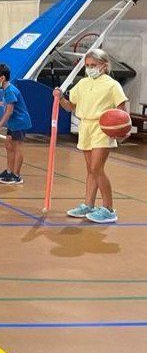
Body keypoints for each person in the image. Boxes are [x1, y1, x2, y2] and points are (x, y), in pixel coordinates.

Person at [54, 49, 129, 224]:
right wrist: (59, 98)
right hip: (85, 126)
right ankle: (88, 205)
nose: (89, 68)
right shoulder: (82, 84)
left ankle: (109, 209)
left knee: (97, 168)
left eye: (93, 65)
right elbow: (70, 106)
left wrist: (123, 130)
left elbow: (122, 111)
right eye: (87, 65)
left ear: (104, 65)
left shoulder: (112, 85)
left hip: (103, 128)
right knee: (90, 169)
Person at [0, 63, 31, 184]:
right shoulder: (6, 90)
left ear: (2, 78)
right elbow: (6, 104)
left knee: (17, 147)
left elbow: (9, 111)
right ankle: (8, 171)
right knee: (8, 144)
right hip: (13, 122)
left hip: (19, 122)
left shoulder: (10, 90)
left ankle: (16, 175)